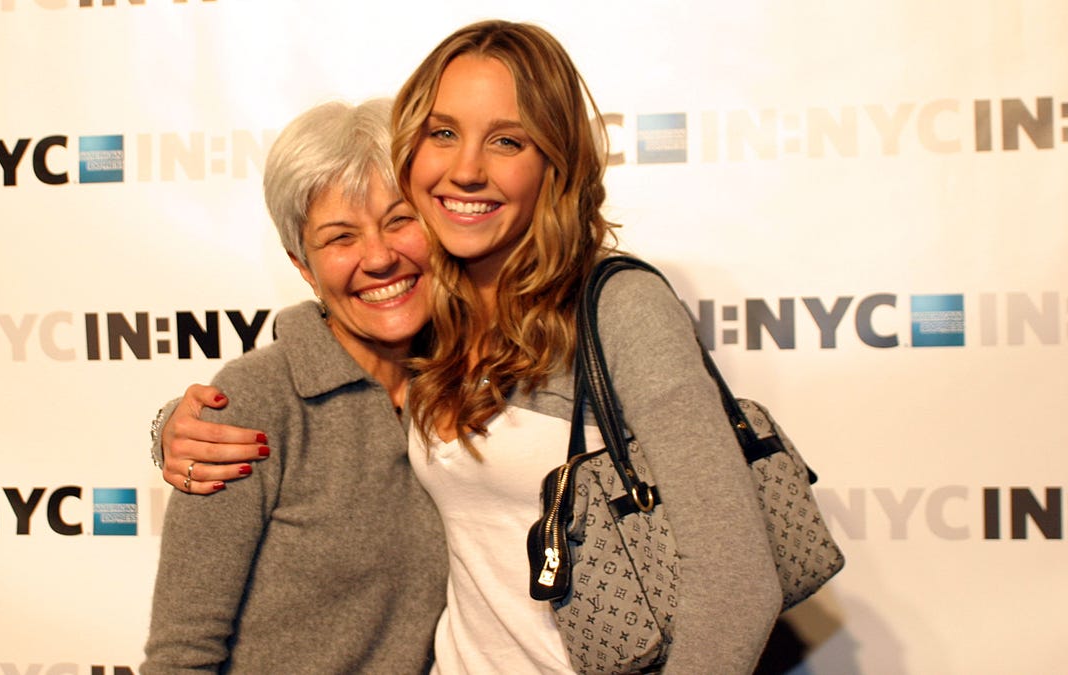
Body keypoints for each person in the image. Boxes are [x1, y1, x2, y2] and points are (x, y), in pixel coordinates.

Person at [151, 20, 782, 674]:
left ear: (554, 164)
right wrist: (179, 424)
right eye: (443, 133)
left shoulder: (607, 309)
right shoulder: (423, 331)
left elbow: (736, 577)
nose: (467, 169)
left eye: (507, 139)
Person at [141, 98, 448, 673]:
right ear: (303, 265)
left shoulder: (475, 379)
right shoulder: (254, 401)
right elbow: (181, 653)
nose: (379, 257)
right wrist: (168, 428)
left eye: (399, 219)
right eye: (340, 238)